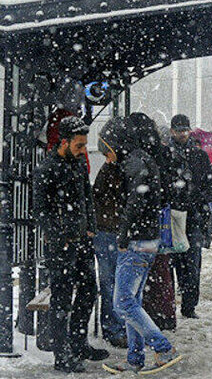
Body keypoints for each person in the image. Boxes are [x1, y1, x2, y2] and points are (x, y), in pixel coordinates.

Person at [104, 114, 182, 374]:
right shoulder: (144, 158)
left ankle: (163, 348)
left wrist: (124, 234)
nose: (107, 157)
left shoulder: (134, 162)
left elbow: (135, 202)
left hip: (137, 240)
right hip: (149, 239)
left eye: (107, 150)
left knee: (123, 303)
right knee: (133, 301)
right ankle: (134, 359)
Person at [32, 116, 109, 373]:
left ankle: (78, 343)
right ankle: (61, 353)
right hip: (61, 245)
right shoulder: (47, 169)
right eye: (78, 145)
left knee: (88, 292)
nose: (83, 150)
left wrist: (90, 227)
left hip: (82, 241)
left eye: (84, 145)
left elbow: (86, 196)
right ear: (63, 142)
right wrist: (60, 234)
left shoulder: (77, 164)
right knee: (62, 300)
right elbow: (40, 210)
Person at [167, 114, 212, 319]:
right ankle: (170, 305)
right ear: (172, 131)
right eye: (179, 131)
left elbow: (210, 189)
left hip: (192, 217)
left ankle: (189, 305)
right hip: (172, 217)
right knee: (171, 265)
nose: (182, 134)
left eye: (185, 130)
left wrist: (195, 199)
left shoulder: (199, 157)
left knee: (191, 265)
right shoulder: (165, 155)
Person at [93, 118, 128, 349]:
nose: (107, 157)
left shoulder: (112, 169)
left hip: (108, 231)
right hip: (110, 232)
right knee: (113, 283)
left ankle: (114, 326)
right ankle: (115, 327)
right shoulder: (117, 170)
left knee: (111, 283)